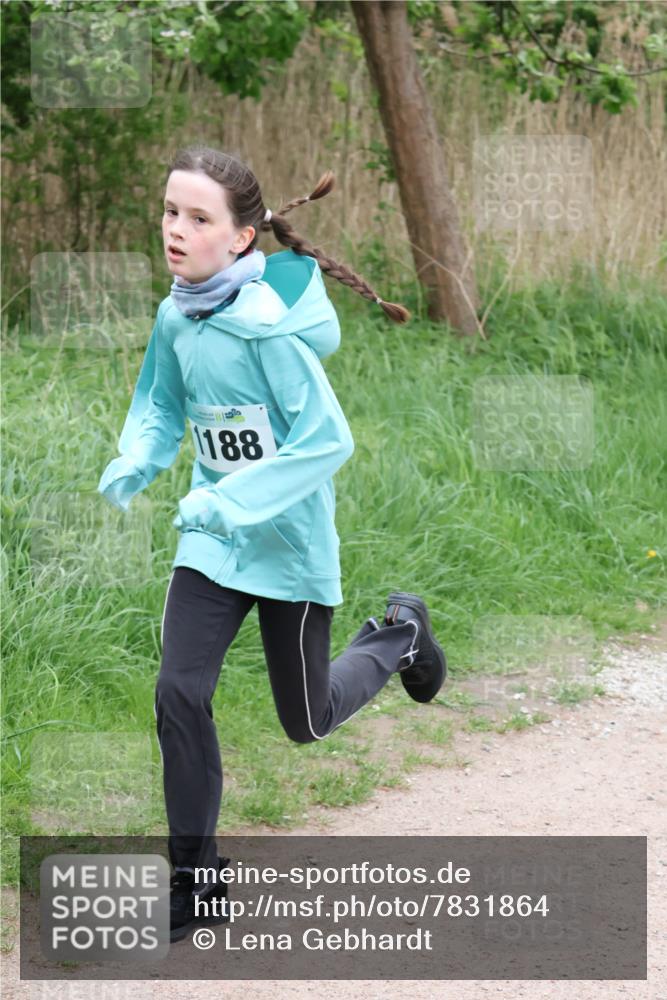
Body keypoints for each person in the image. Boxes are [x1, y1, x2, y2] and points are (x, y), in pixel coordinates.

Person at [97, 144, 447, 943]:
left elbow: (327, 441)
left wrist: (233, 501)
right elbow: (158, 402)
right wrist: (138, 459)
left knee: (308, 721)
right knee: (177, 693)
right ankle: (197, 879)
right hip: (214, 546)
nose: (175, 231)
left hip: (285, 547)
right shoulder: (175, 314)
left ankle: (397, 635)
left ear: (243, 238)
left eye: (197, 218)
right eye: (169, 211)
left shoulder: (268, 333)